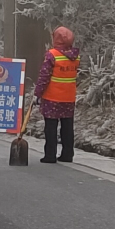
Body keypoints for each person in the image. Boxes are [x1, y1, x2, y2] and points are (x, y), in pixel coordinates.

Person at [34, 27, 81, 164]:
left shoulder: (52, 55)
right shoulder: (76, 56)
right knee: (67, 126)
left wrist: (38, 94)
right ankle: (67, 154)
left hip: (52, 97)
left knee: (51, 127)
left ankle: (50, 155)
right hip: (69, 97)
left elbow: (44, 77)